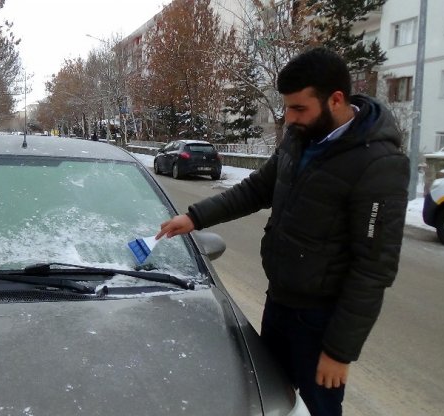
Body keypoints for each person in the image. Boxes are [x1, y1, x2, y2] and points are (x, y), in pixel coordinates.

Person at [155, 47, 410, 416]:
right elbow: (258, 188)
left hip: (321, 322)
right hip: (280, 302)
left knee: (318, 408)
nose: (289, 118)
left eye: (299, 108)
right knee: (268, 399)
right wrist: (195, 217)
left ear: (336, 99)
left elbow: (373, 269)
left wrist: (339, 353)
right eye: (288, 107)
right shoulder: (300, 137)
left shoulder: (379, 165)